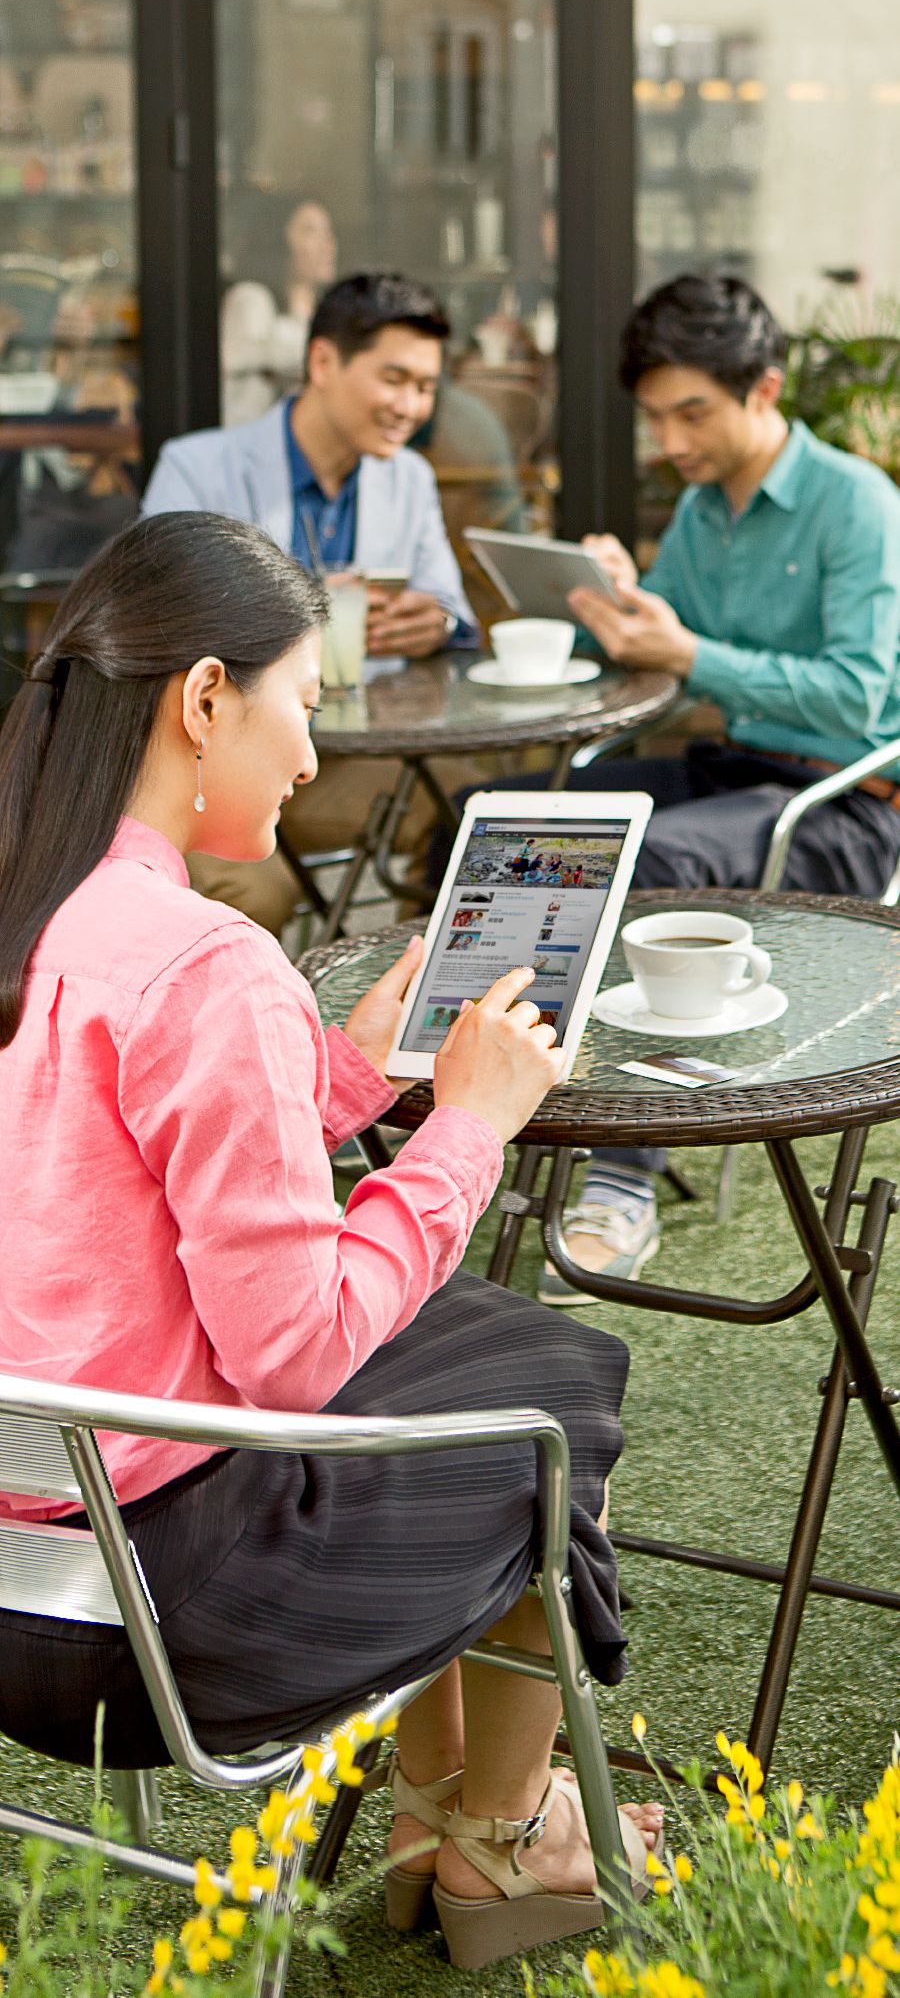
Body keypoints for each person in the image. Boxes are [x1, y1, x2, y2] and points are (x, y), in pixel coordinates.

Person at [0, 512, 660, 1969]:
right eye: (303, 704)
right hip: (167, 1624)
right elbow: (291, 1356)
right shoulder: (202, 960)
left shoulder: (38, 912)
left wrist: (352, 1076)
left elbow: (105, 1195)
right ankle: (499, 1837)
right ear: (205, 697)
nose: (310, 756)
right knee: (556, 1397)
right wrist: (467, 1124)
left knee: (508, 1344)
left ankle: (455, 1811)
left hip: (18, 1588)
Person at [437, 273, 900, 1302]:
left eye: (692, 412)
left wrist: (687, 647)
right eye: (656, 416)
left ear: (765, 390)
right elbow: (666, 665)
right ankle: (468, 1107)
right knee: (491, 818)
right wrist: (618, 606)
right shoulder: (700, 509)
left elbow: (860, 702)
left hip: (842, 800)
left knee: (651, 858)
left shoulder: (856, 504)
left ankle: (620, 1177)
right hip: (731, 771)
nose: (672, 438)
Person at [143, 271, 483, 938]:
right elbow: (162, 624)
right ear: (323, 361)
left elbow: (447, 596)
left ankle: (407, 1006)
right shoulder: (197, 469)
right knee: (250, 897)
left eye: (425, 388)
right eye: (394, 379)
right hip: (219, 764)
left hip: (360, 754)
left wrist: (435, 619)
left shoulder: (408, 476)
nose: (410, 406)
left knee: (476, 816)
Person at [219, 198, 338, 426]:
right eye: (311, 231)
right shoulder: (251, 297)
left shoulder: (323, 309)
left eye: (329, 232)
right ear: (279, 239)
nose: (328, 243)